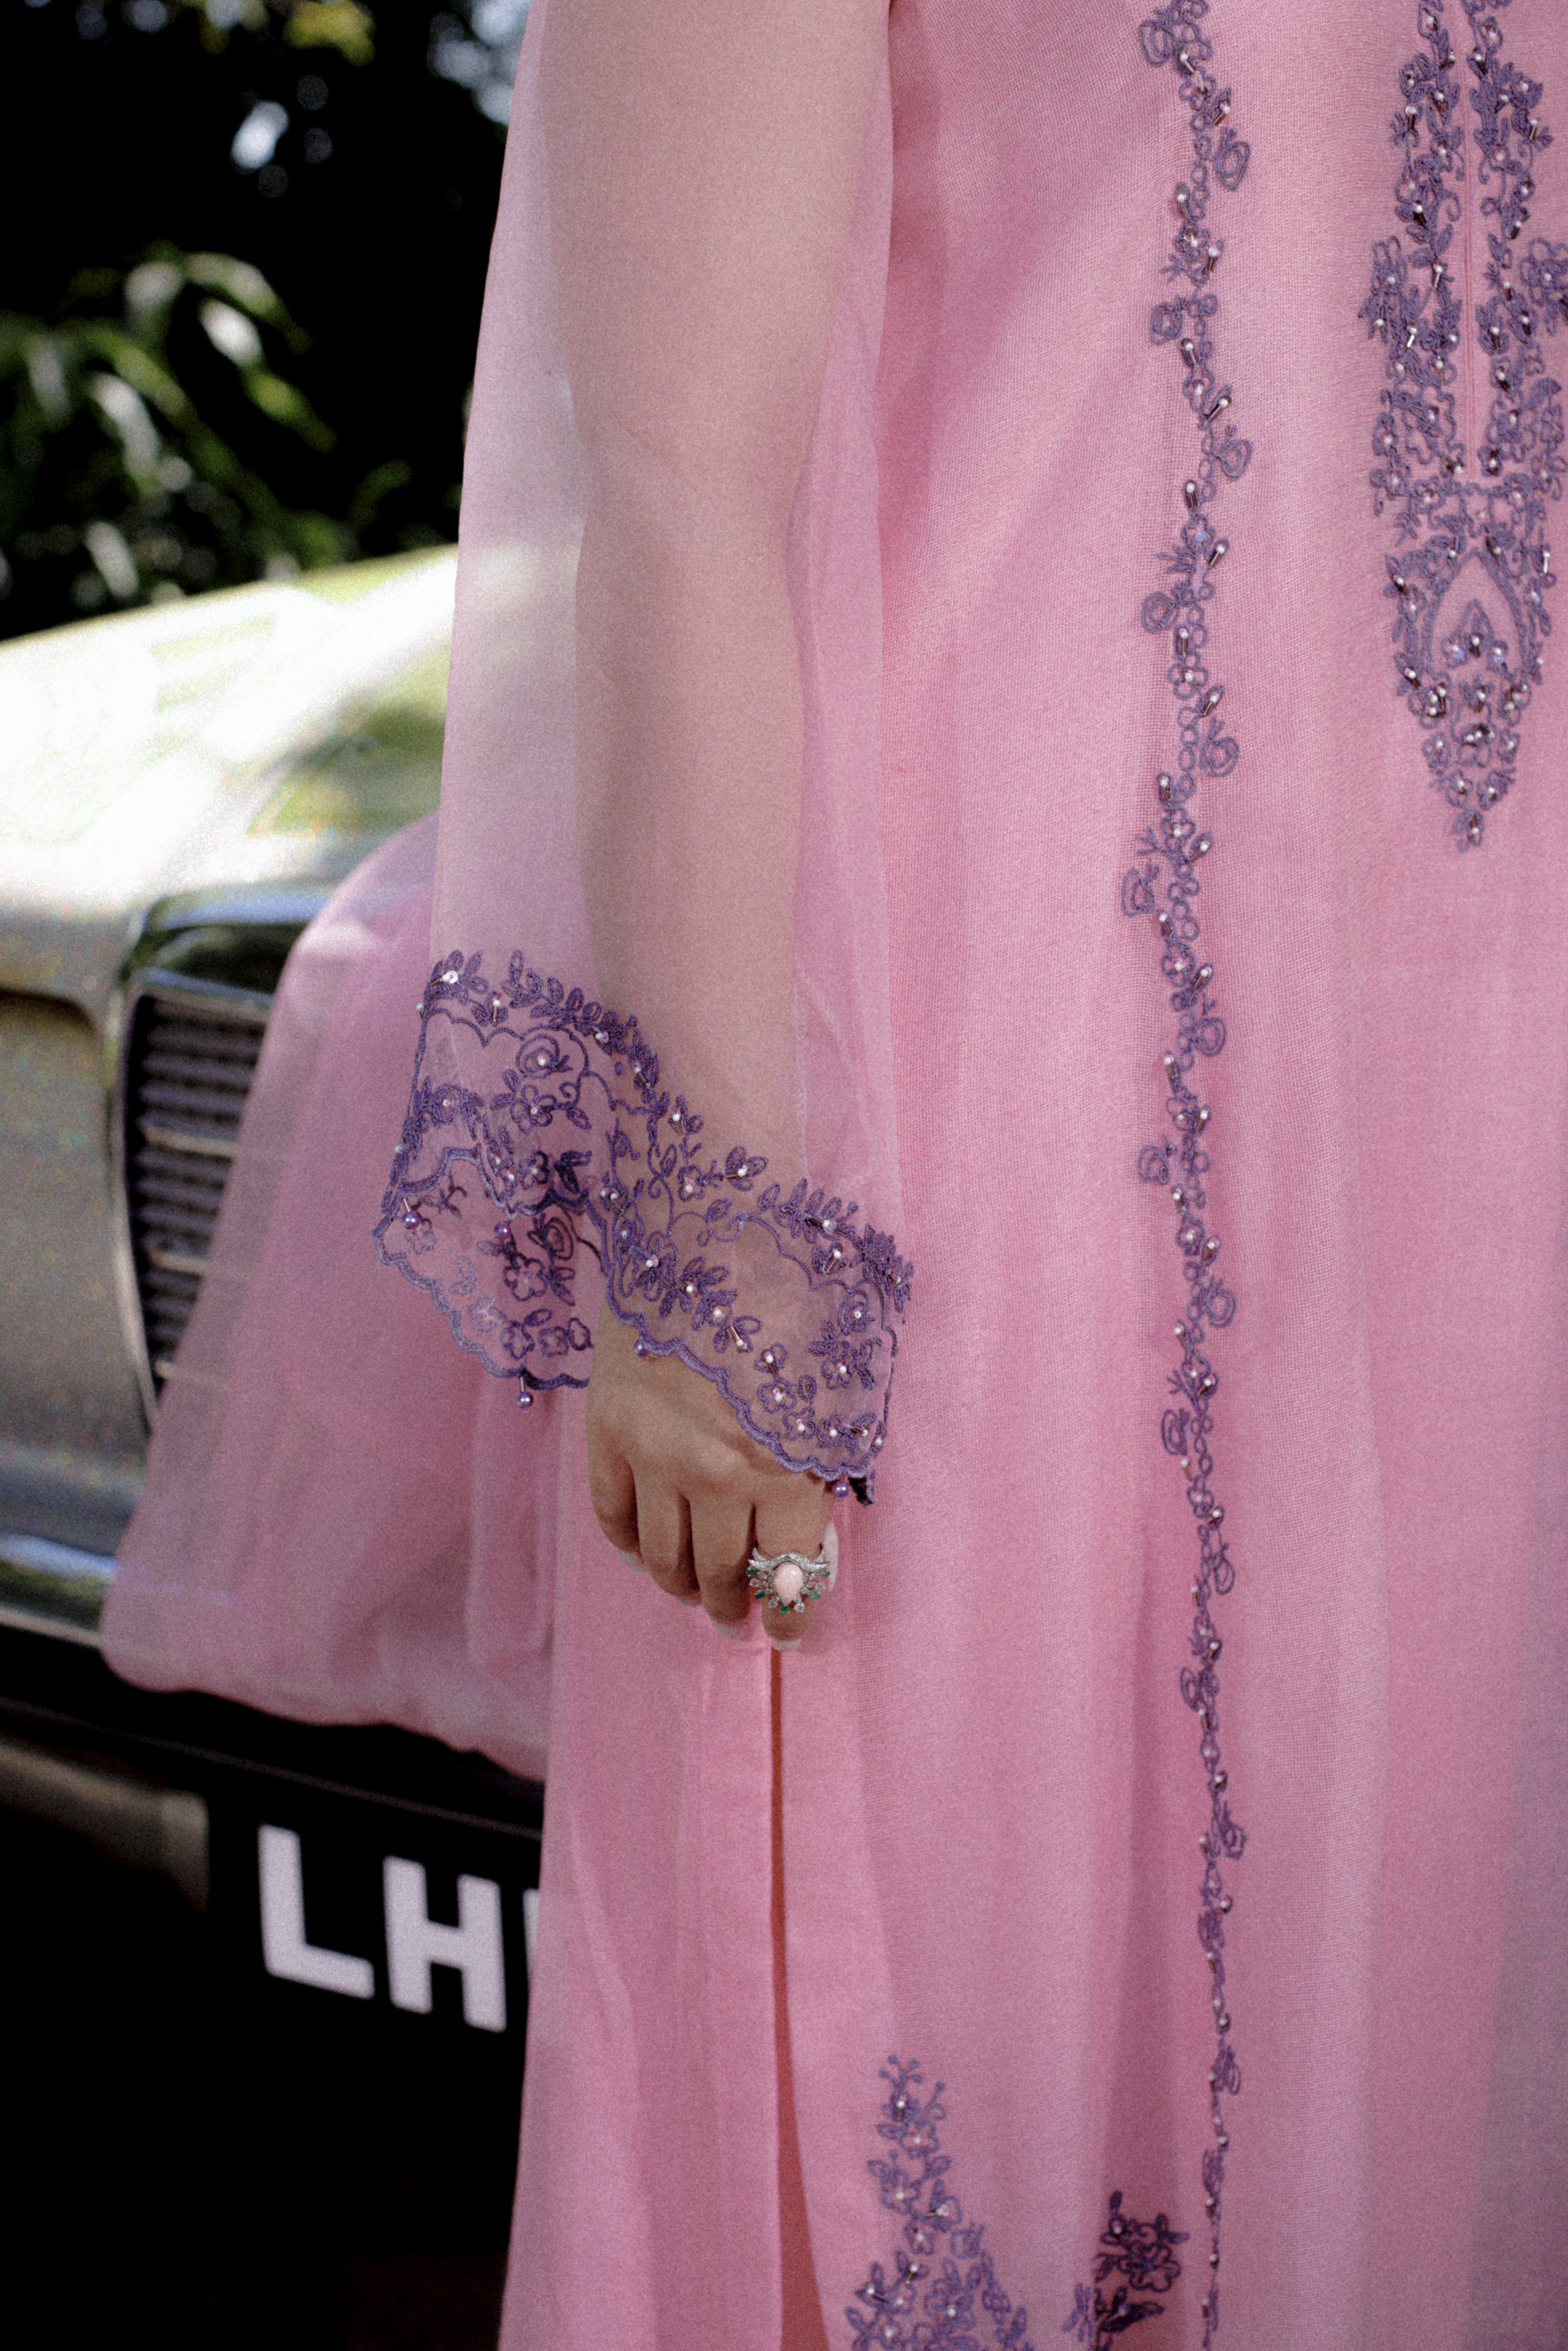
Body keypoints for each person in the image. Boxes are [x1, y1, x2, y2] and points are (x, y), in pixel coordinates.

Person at [108, 0, 1568, 2344]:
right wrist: (703, 1259)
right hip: (986, 1093)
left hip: (1447, 1082)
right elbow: (674, 477)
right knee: (978, 2034)